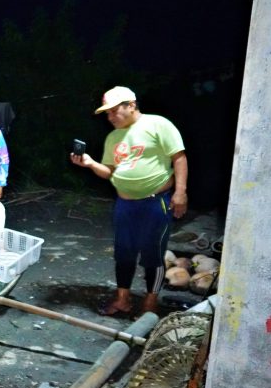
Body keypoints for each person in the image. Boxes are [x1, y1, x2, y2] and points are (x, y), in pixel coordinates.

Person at [70, 86, 187, 316]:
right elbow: (111, 172)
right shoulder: (113, 137)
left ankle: (150, 303)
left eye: (114, 111)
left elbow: (179, 157)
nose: (110, 117)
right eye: (107, 113)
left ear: (131, 105)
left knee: (153, 254)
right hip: (125, 204)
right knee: (124, 254)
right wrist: (91, 164)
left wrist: (180, 192)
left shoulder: (158, 124)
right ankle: (123, 299)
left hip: (155, 202)